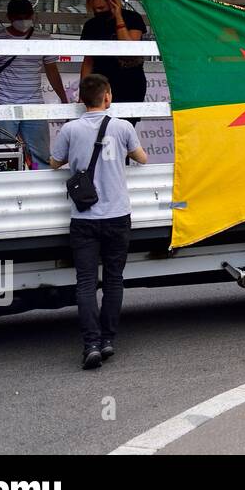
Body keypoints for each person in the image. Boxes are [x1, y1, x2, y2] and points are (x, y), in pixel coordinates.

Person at [50, 73, 149, 369]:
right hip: (118, 216)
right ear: (107, 97)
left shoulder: (70, 129)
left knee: (85, 282)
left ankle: (90, 344)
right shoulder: (122, 127)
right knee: (114, 279)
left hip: (83, 218)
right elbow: (142, 158)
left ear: (82, 99)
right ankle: (108, 340)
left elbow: (54, 162)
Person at [0, 0, 69, 168]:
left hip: (34, 106)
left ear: (33, 16)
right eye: (19, 17)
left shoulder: (44, 39)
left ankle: (40, 190)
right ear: (9, 17)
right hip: (3, 105)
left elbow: (52, 71)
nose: (23, 21)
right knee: (1, 157)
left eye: (26, 17)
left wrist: (64, 98)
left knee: (41, 156)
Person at [80, 0, 147, 122]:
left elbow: (130, 51)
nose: (98, 12)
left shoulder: (133, 18)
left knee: (123, 129)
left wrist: (118, 16)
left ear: (113, 3)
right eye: (95, 9)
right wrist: (82, 92)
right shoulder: (91, 25)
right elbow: (88, 61)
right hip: (99, 86)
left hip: (129, 85)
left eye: (101, 8)